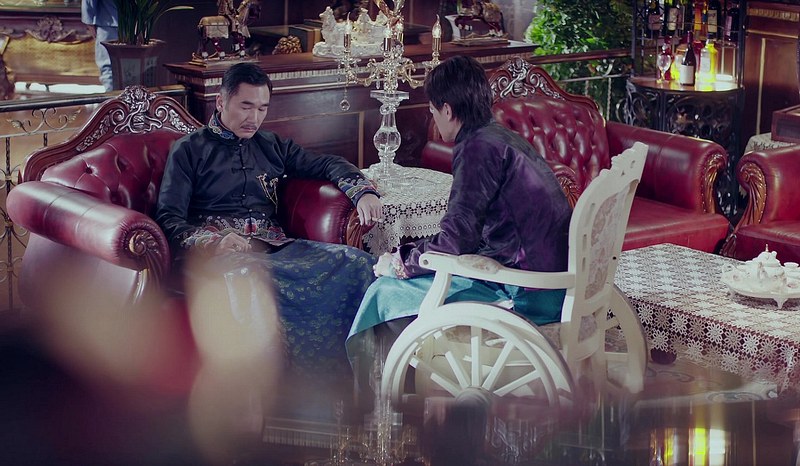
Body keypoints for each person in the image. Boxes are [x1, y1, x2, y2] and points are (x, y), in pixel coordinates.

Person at [346, 56, 572, 405]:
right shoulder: (500, 137)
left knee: (385, 293)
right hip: (551, 274)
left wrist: (400, 261)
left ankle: (412, 390)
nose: (433, 119)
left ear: (448, 110)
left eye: (432, 111)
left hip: (528, 290)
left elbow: (455, 240)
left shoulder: (477, 148)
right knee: (407, 278)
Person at [155, 63, 383, 386]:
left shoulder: (271, 145)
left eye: (262, 108)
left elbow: (326, 163)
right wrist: (214, 242)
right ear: (221, 102)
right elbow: (168, 219)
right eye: (246, 106)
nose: (254, 117)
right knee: (249, 280)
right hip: (219, 258)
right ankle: (274, 390)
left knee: (359, 263)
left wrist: (362, 192)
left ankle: (353, 382)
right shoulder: (189, 151)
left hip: (277, 248)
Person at [81, 0, 119, 92]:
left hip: (107, 21)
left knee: (108, 65)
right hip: (132, 21)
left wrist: (89, 21)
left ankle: (110, 97)